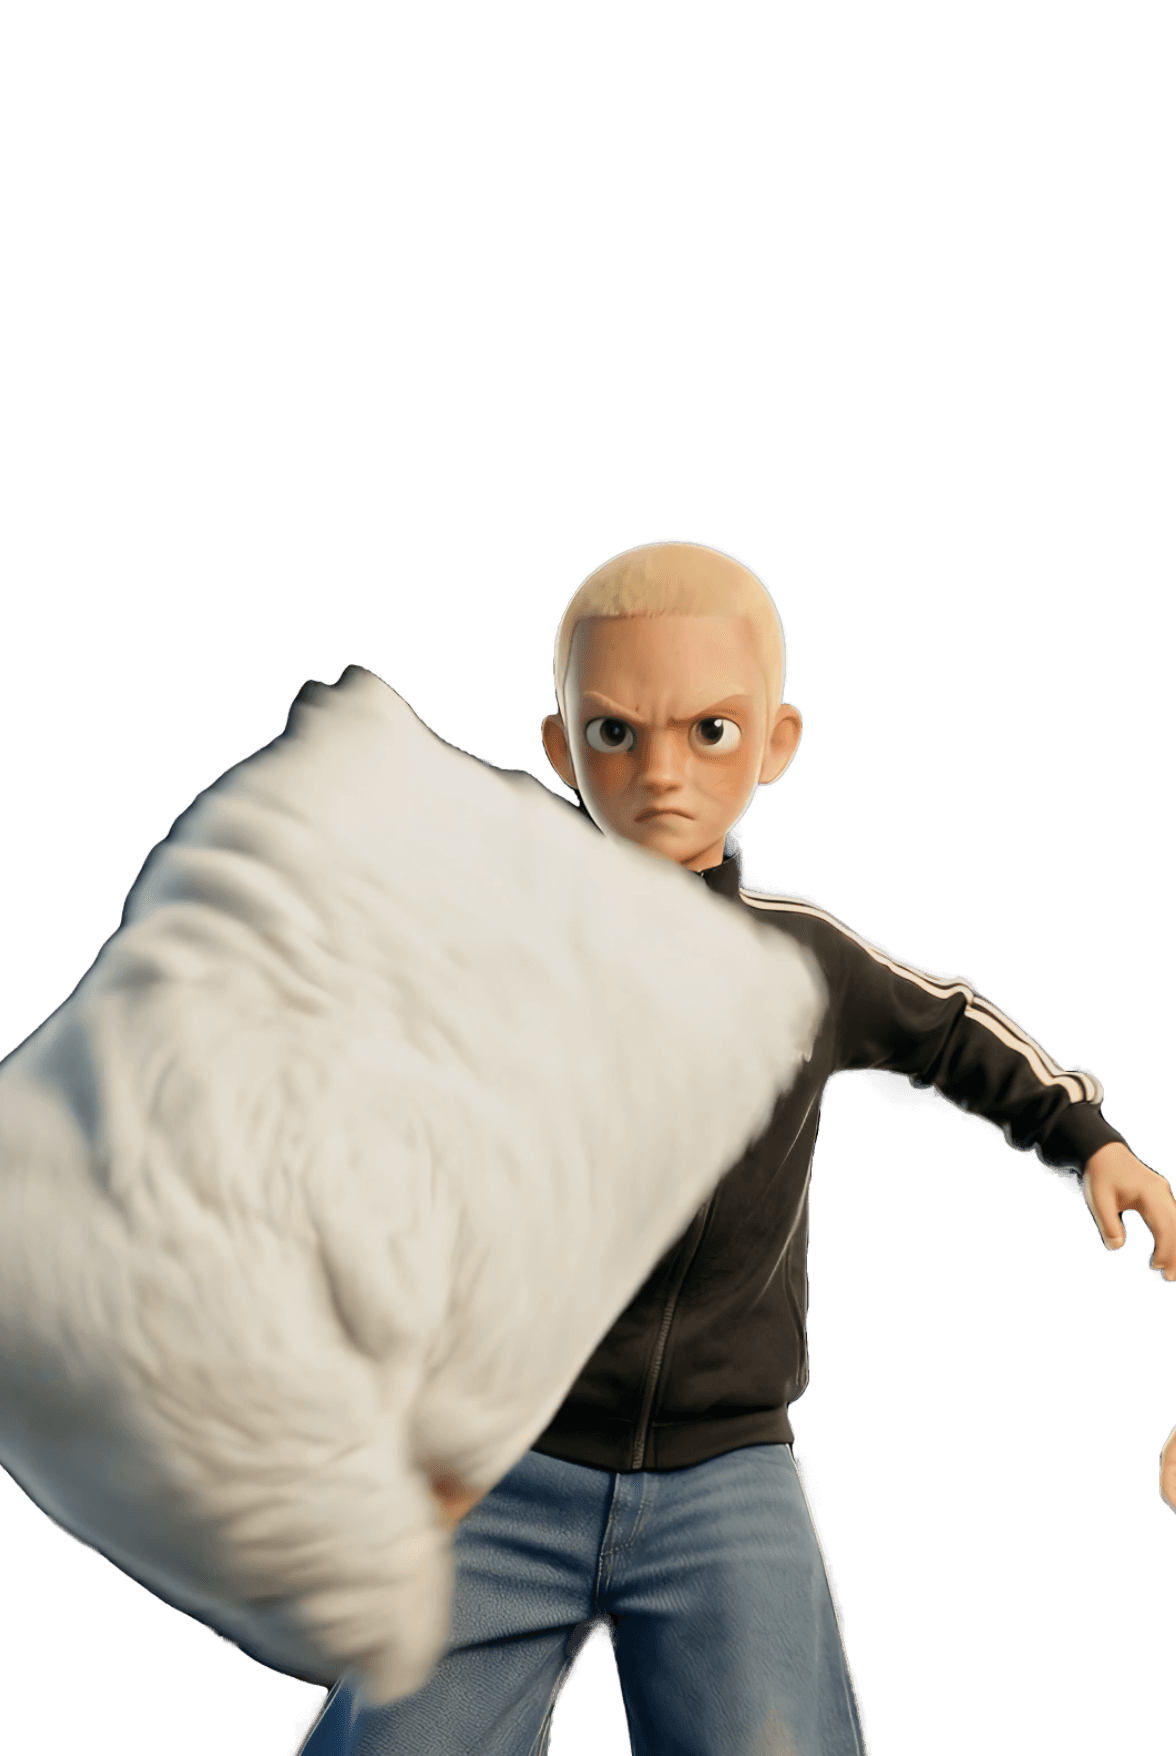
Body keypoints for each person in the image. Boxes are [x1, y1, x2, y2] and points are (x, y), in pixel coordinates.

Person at [296, 540, 1175, 1756]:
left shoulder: (803, 961)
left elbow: (951, 1030)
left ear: (775, 741)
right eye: (615, 734)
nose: (662, 772)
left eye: (709, 731)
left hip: (725, 1481)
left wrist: (1088, 1140)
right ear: (561, 747)